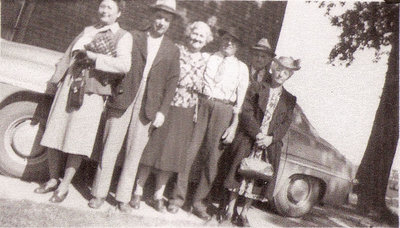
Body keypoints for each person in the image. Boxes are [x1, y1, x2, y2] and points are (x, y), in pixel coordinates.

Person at [34, 0, 132, 203]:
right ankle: (52, 179)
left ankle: (64, 185)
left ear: (119, 13)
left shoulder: (123, 36)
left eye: (109, 8)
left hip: (91, 92)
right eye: (102, 6)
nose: (104, 11)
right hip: (69, 86)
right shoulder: (88, 30)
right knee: (55, 131)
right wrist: (54, 81)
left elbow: (124, 65)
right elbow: (67, 55)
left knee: (77, 140)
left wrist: (95, 57)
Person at [89, 0, 180, 213]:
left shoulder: (172, 49)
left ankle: (122, 197)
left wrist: (162, 111)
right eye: (158, 17)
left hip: (149, 106)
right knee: (110, 146)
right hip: (123, 97)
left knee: (134, 153)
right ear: (152, 17)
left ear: (170, 23)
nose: (161, 22)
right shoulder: (133, 36)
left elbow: (172, 82)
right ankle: (98, 193)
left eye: (166, 20)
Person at [133, 21, 213, 213]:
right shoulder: (175, 50)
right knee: (151, 150)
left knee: (171, 156)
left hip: (187, 111)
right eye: (194, 34)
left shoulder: (207, 59)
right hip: (167, 105)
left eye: (201, 36)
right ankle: (137, 191)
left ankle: (158, 196)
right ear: (188, 34)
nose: (196, 38)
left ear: (207, 41)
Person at [175, 26, 249, 221]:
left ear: (238, 46)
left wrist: (233, 125)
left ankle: (199, 202)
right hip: (203, 104)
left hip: (224, 110)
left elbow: (239, 102)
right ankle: (177, 198)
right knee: (189, 152)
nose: (228, 43)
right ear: (221, 40)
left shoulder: (242, 68)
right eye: (226, 39)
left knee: (212, 159)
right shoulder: (208, 58)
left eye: (233, 41)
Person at [221, 56, 300, 226]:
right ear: (273, 69)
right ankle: (229, 211)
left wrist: (271, 138)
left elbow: (285, 123)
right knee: (239, 173)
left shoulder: (289, 99)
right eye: (279, 69)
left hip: (268, 145)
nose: (281, 74)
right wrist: (257, 134)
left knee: (259, 177)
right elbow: (247, 112)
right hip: (250, 139)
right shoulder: (257, 88)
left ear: (289, 76)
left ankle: (243, 213)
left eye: (286, 72)